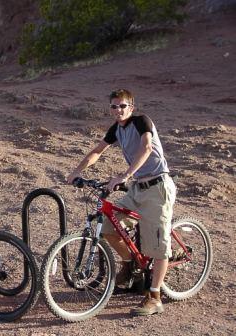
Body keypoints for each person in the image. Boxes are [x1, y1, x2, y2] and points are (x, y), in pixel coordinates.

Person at [67, 89, 176, 316]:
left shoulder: (141, 122)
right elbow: (97, 151)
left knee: (158, 246)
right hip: (138, 188)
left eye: (123, 106)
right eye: (114, 107)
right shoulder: (117, 128)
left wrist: (124, 176)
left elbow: (146, 147)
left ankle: (155, 296)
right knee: (108, 226)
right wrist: (76, 171)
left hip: (157, 187)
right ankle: (130, 265)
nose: (118, 110)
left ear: (131, 107)